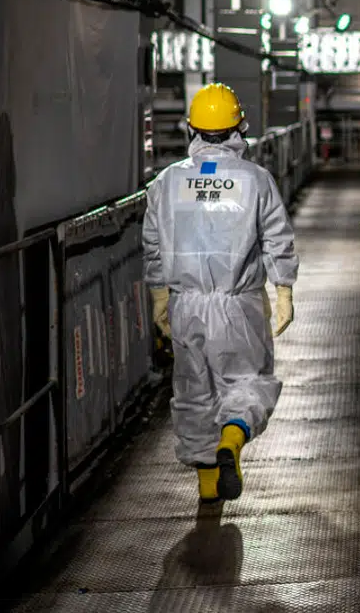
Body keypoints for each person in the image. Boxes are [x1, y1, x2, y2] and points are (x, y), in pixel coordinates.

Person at [142, 83, 298, 503]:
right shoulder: (255, 180)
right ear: (238, 127)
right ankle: (232, 440)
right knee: (247, 383)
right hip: (237, 305)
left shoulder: (166, 182)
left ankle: (209, 490)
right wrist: (283, 290)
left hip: (186, 303)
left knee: (194, 393)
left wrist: (160, 297)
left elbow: (153, 245)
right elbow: (277, 239)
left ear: (191, 128)